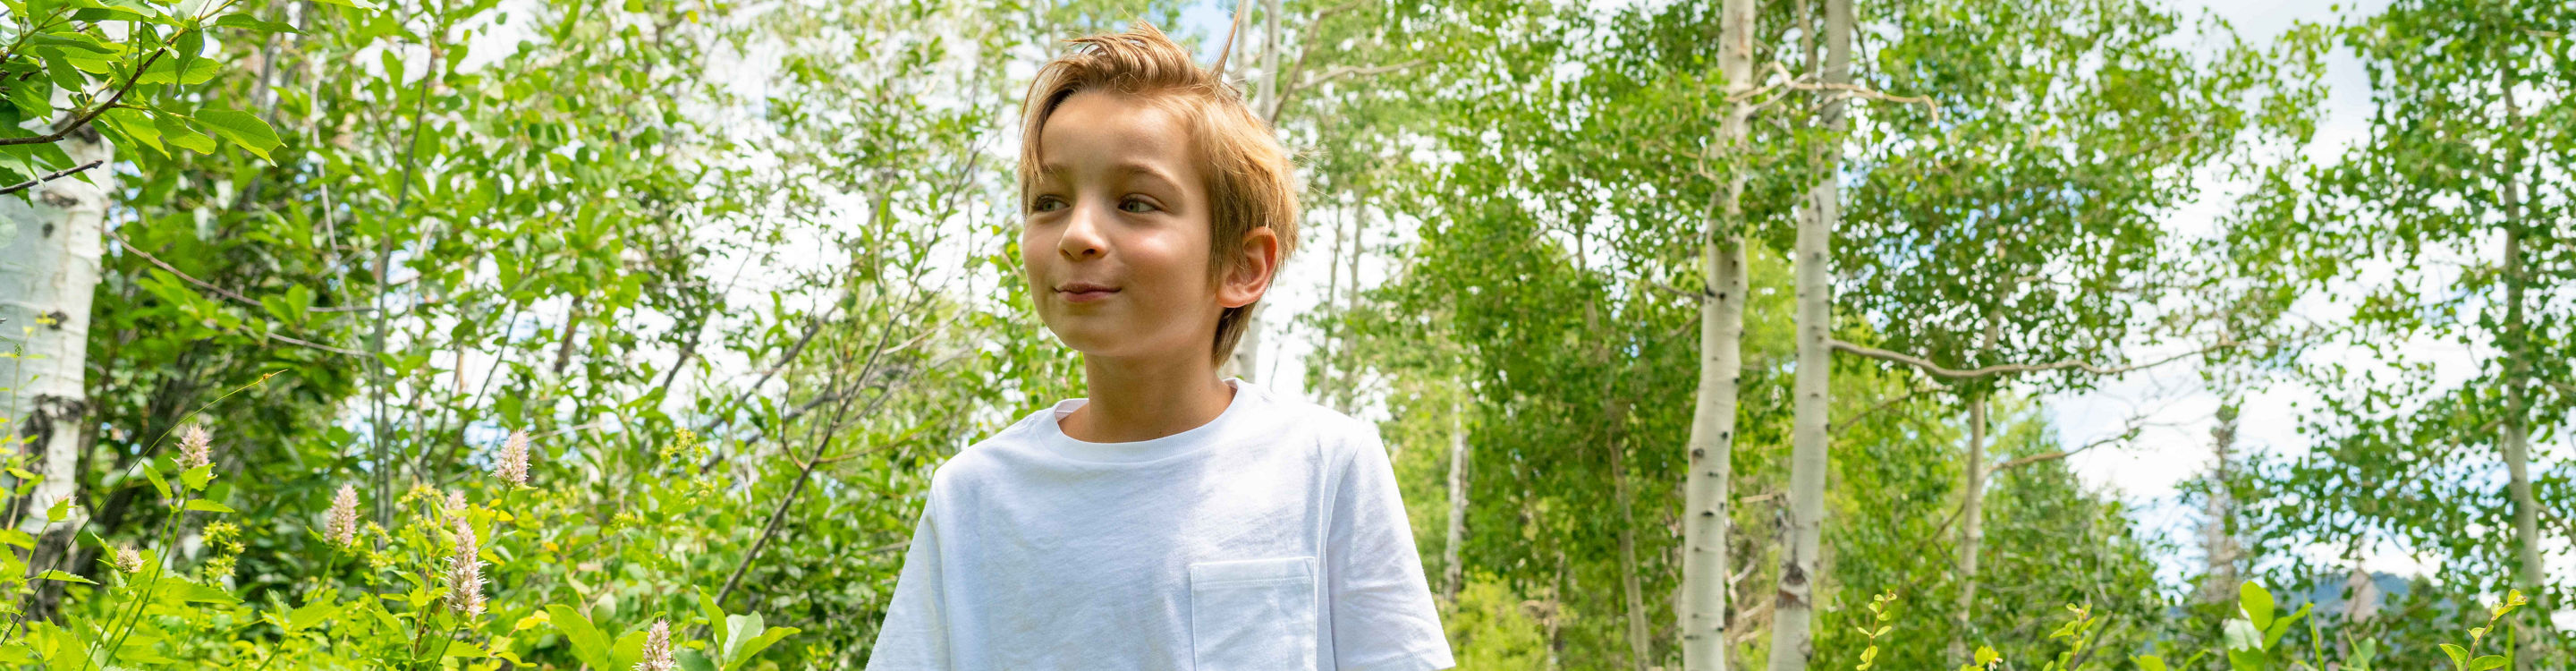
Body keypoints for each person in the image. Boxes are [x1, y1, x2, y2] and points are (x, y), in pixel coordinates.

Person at [862, 20, 1454, 671]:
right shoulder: (974, 498)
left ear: (1241, 266)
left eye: (1137, 203)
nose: (1077, 234)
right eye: (1050, 201)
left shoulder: (1326, 466)